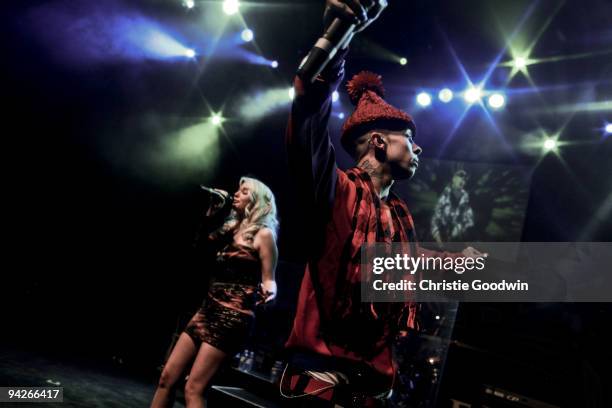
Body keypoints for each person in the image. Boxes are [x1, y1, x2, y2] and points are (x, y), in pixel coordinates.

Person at [282, 1, 484, 406]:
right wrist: (340, 34)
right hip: (322, 381)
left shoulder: (397, 215)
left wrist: (457, 259)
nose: (419, 147)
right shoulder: (335, 190)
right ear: (378, 141)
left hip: (371, 386)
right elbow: (308, 106)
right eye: (409, 139)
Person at [151, 177, 279, 408]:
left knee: (194, 389)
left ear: (257, 200)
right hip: (206, 310)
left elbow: (270, 279)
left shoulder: (264, 234)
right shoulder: (229, 228)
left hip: (231, 316)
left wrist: (269, 291)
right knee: (167, 378)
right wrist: (211, 214)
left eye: (244, 191)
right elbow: (199, 248)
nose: (236, 194)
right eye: (237, 190)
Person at [431, 169, 475, 247]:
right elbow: (435, 220)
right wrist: (440, 242)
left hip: (458, 242)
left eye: (464, 180)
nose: (462, 182)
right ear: (453, 179)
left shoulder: (466, 198)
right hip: (442, 239)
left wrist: (460, 230)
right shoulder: (444, 195)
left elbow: (469, 221)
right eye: (460, 178)